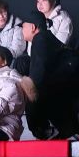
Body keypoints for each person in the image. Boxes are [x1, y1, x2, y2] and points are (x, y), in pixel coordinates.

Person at [20, 11, 79, 139]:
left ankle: (48, 133)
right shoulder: (46, 37)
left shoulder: (39, 39)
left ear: (32, 27)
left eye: (23, 26)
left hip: (64, 86)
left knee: (35, 94)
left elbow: (38, 74)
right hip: (67, 85)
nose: (21, 30)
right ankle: (68, 132)